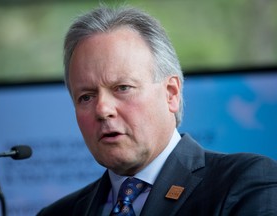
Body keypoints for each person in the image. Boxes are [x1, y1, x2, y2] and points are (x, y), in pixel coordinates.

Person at [37, 5, 277, 216]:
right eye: (86, 97)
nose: (102, 109)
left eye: (122, 87)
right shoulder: (57, 213)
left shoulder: (245, 182)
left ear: (171, 93)